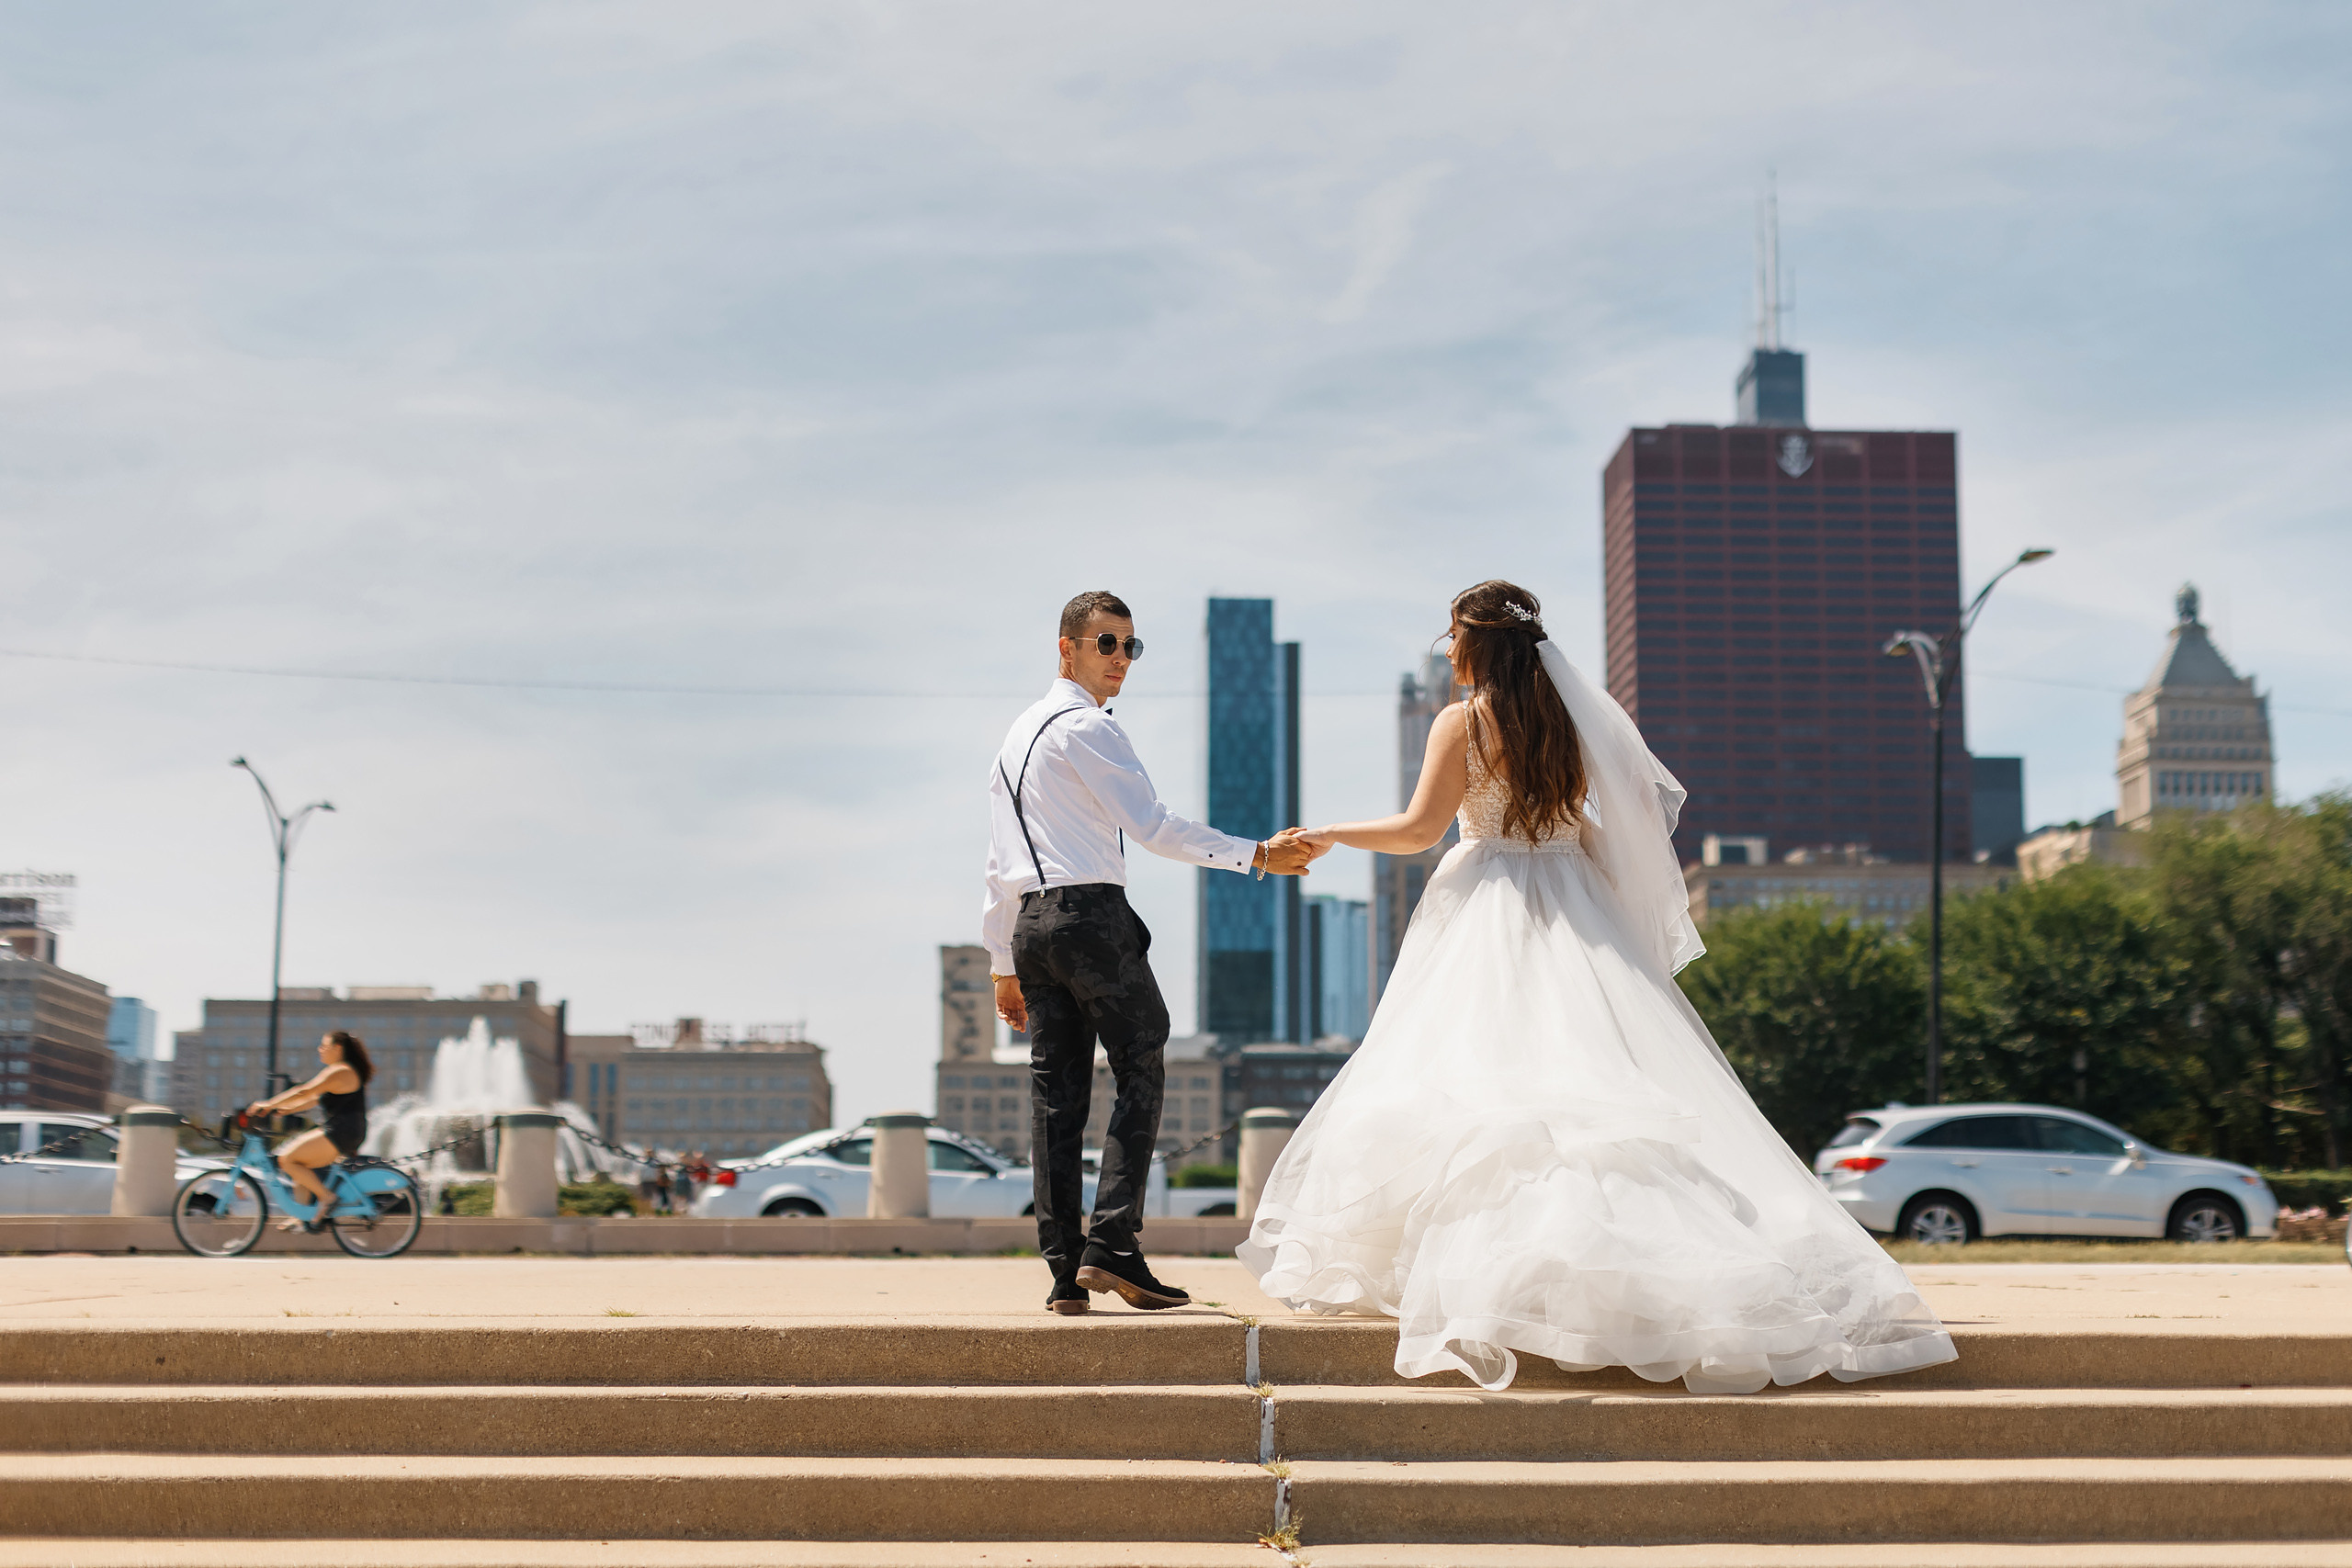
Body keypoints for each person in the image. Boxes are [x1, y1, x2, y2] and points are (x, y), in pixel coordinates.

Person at [1238, 581, 1957, 1393]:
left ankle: (1509, 1279)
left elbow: (1416, 831)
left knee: (1481, 1082)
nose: (1447, 651)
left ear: (1475, 645)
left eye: (1451, 636)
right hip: (1575, 902)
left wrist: (1326, 831)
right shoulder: (1568, 723)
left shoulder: (1465, 722)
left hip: (1492, 904)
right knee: (1593, 1080)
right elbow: (1596, 830)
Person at [986, 590, 1317, 1315]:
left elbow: (998, 864)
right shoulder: (1088, 729)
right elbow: (1154, 826)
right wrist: (1258, 854)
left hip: (1032, 928)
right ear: (1066, 647)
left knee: (1056, 1099)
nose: (1121, 660)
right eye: (1107, 643)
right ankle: (1113, 1241)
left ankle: (1066, 1270)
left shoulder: (1015, 740)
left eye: (1130, 646)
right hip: (1088, 914)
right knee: (1143, 1055)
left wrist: (1003, 962)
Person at [246, 1031, 373, 1234]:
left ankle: (327, 1197)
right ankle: (301, 1216)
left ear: (338, 1048)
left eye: (324, 1046)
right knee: (300, 1165)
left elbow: (304, 1090)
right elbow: (313, 1100)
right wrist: (287, 1109)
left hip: (341, 1131)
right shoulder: (341, 1072)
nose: (319, 1049)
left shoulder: (340, 1070)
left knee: (287, 1159)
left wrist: (268, 1104)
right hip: (345, 1130)